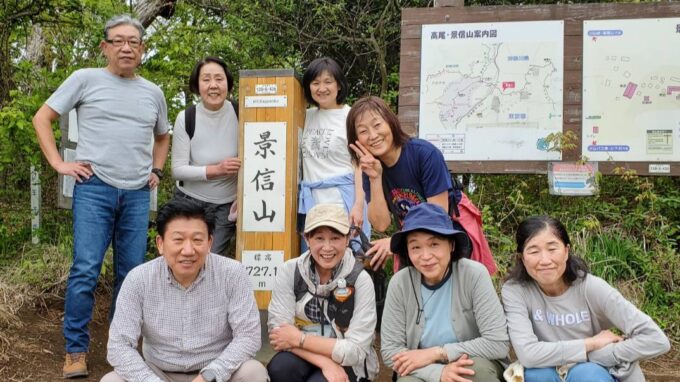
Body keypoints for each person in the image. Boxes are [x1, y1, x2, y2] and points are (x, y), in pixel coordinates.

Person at [31, 14, 170, 378]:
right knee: (86, 270)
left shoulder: (153, 92)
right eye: (119, 41)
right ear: (104, 47)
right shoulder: (85, 79)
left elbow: (162, 136)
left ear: (142, 49)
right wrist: (60, 163)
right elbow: (41, 118)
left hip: (137, 193)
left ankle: (120, 346)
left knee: (131, 273)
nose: (127, 47)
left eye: (134, 42)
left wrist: (156, 170)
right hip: (94, 188)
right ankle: (75, 350)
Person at [101, 198, 269, 382]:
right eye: (178, 240)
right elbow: (119, 346)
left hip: (216, 373)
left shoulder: (232, 273)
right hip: (158, 373)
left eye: (197, 240)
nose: (188, 250)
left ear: (210, 242)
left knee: (254, 372)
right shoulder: (139, 279)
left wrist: (209, 376)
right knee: (112, 380)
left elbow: (248, 337)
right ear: (160, 243)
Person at [502, 215, 671, 382]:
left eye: (552, 249)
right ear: (522, 258)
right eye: (533, 251)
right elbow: (528, 355)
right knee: (536, 375)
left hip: (595, 373)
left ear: (566, 251)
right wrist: (590, 344)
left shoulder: (591, 287)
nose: (545, 260)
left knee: (587, 374)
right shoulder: (516, 291)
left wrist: (600, 355)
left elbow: (656, 339)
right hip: (545, 370)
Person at [347, 96, 495, 274]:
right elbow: (380, 224)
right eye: (363, 131)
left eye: (377, 125)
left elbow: (437, 216)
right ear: (355, 139)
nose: (372, 135)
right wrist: (375, 178)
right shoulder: (370, 168)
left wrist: (393, 242)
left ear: (391, 122)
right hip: (412, 237)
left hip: (450, 228)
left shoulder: (424, 154)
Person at [381, 203, 508, 382]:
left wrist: (438, 353)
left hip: (470, 359)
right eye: (415, 247)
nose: (425, 256)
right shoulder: (400, 283)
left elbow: (498, 343)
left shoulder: (474, 275)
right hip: (424, 369)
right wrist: (438, 373)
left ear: (451, 245)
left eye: (434, 244)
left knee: (473, 371)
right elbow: (390, 351)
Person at [267, 203, 379, 382]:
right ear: (307, 239)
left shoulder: (360, 279)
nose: (327, 248)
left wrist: (299, 338)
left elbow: (355, 350)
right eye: (319, 238)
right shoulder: (290, 271)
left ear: (347, 238)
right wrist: (324, 363)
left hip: (348, 362)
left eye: (335, 238)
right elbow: (279, 333)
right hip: (304, 354)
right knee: (281, 368)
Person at [298, 57, 369, 251]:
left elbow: (360, 165)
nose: (322, 88)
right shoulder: (305, 116)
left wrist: (359, 205)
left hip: (343, 200)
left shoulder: (351, 116)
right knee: (316, 260)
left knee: (346, 258)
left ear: (339, 85)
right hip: (312, 203)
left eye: (328, 82)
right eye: (315, 83)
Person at [172, 56, 240, 257]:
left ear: (228, 83)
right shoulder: (186, 118)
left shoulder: (241, 112)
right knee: (187, 257)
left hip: (226, 207)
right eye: (206, 79)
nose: (213, 86)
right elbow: (177, 170)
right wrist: (216, 170)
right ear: (197, 84)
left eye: (219, 79)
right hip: (190, 202)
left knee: (212, 261)